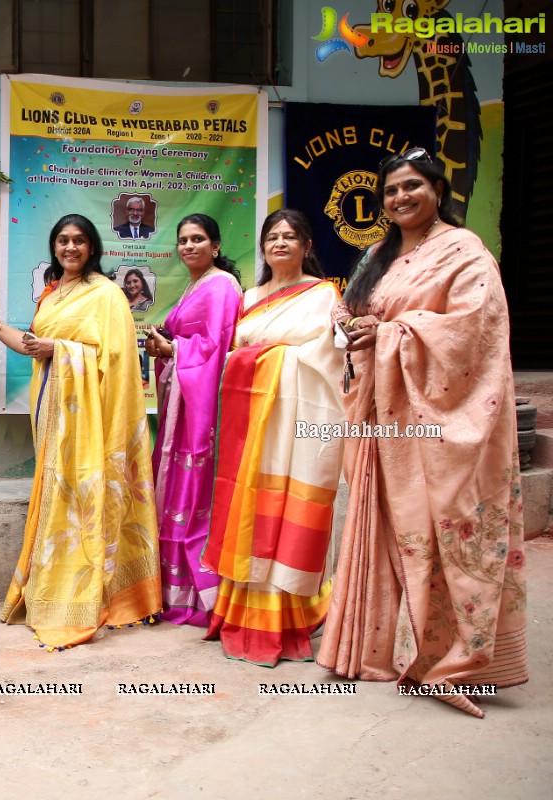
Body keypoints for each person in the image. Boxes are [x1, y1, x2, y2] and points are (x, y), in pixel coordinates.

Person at [317, 148, 527, 716]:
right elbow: (361, 317)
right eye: (390, 191)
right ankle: (379, 644)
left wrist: (388, 336)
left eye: (412, 187)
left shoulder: (464, 253)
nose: (400, 198)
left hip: (435, 417)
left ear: (438, 189)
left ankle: (451, 658)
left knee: (444, 521)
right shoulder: (379, 256)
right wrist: (352, 327)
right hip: (381, 413)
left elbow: (472, 331)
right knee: (386, 520)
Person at [0, 214, 161, 649]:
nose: (70, 248)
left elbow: (116, 359)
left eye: (78, 241)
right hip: (52, 411)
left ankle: (93, 592)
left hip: (90, 421)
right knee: (58, 494)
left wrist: (62, 349)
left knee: (87, 496)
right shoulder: (53, 295)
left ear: (92, 247)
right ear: (54, 247)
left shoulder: (107, 294)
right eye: (62, 241)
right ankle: (51, 586)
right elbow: (31, 344)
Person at [202, 209, 344, 666]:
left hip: (292, 426)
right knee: (246, 509)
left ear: (306, 245)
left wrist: (263, 359)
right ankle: (242, 611)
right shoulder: (248, 296)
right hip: (248, 426)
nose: (280, 243)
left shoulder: (324, 295)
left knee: (283, 511)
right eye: (272, 237)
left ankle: (287, 613)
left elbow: (328, 359)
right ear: (263, 248)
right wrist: (254, 359)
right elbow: (231, 350)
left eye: (290, 236)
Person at [144, 213, 242, 627]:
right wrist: (164, 345)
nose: (188, 246)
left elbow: (216, 348)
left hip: (204, 409)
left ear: (216, 246)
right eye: (183, 240)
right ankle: (171, 588)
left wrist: (172, 350)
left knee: (195, 490)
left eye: (198, 239)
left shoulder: (220, 285)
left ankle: (199, 594)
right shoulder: (196, 286)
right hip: (181, 405)